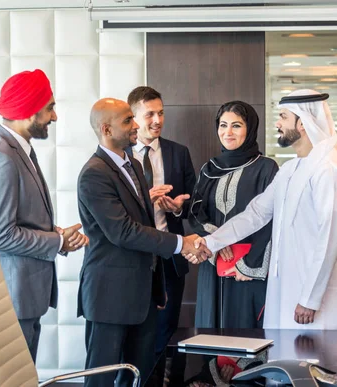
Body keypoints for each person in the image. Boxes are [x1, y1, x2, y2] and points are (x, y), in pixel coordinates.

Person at [188, 89, 337, 330]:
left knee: (314, 362)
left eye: (283, 116)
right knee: (282, 359)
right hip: (284, 288)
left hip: (311, 294)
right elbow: (255, 214)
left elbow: (331, 238)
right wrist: (210, 243)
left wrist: (310, 299)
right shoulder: (290, 169)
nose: (278, 123)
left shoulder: (329, 172)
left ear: (302, 123)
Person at [76, 98, 209, 387]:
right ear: (106, 129)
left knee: (141, 375)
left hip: (143, 294)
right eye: (128, 120)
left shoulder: (133, 165)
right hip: (109, 295)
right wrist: (180, 243)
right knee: (101, 377)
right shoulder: (94, 173)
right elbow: (123, 232)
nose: (136, 125)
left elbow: (144, 224)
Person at [0, 69, 88, 371]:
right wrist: (57, 241)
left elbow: (17, 221)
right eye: (50, 107)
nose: (55, 116)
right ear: (27, 111)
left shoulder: (18, 150)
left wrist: (56, 234)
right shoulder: (0, 156)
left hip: (19, 297)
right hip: (7, 298)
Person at [125, 86, 196, 383]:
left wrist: (178, 208)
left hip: (169, 257)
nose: (158, 120)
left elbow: (195, 206)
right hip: (133, 261)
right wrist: (143, 199)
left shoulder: (179, 153)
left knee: (166, 333)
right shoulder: (119, 156)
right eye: (150, 114)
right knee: (134, 333)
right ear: (133, 118)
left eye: (161, 113)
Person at [189, 101, 278, 329]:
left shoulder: (266, 168)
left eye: (236, 126)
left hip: (246, 266)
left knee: (244, 331)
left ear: (250, 130)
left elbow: (271, 220)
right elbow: (196, 212)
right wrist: (216, 238)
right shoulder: (209, 169)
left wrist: (250, 264)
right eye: (223, 125)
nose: (227, 133)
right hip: (214, 262)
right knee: (211, 328)